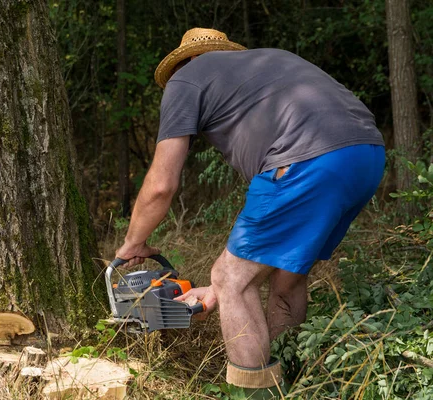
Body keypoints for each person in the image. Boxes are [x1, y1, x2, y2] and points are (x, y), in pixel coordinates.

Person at [115, 27, 385, 398]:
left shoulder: (186, 80)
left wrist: (133, 243)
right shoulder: (266, 63)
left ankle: (255, 395)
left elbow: (162, 184)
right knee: (286, 279)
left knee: (230, 277)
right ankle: (294, 382)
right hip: (366, 154)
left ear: (186, 61)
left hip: (308, 158)